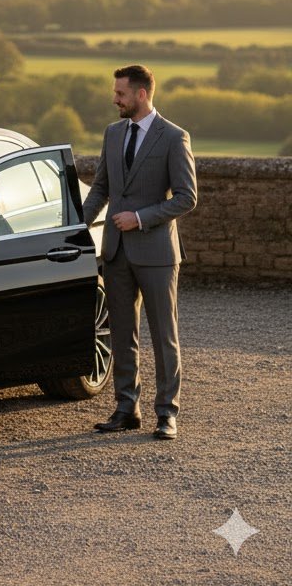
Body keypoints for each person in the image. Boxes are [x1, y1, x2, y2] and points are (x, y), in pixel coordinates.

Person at [83, 64, 197, 441]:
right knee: (122, 335)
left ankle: (167, 414)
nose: (114, 99)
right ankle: (125, 408)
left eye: (120, 93)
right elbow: (100, 189)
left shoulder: (174, 137)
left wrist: (141, 218)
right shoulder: (113, 134)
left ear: (142, 94)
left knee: (164, 335)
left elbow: (186, 198)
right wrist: (76, 227)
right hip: (115, 252)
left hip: (158, 252)